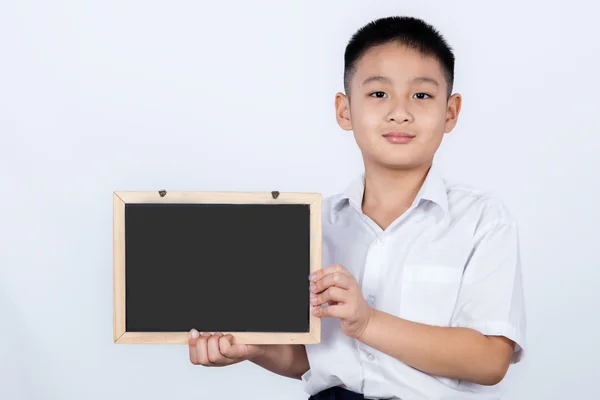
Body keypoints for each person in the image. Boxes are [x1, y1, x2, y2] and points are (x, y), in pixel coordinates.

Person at [187, 15, 526, 400]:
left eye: (422, 95)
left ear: (450, 112)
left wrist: (368, 323)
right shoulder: (317, 224)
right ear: (344, 110)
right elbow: (315, 356)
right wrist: (254, 349)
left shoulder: (481, 220)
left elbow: (490, 361)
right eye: (379, 94)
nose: (400, 112)